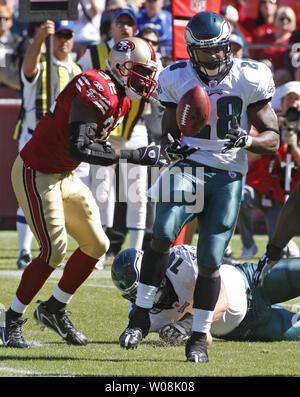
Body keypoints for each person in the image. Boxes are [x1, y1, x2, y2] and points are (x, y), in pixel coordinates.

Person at [118, 11, 280, 364]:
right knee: (161, 232)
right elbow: (169, 127)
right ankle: (140, 316)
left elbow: (273, 139)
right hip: (190, 164)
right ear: (192, 51)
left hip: (227, 173)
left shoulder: (250, 76)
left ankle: (198, 338)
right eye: (206, 52)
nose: (215, 57)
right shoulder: (176, 76)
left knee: (210, 259)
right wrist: (172, 142)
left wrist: (247, 140)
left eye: (219, 49)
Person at [0, 36, 170, 349]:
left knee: (97, 244)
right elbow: (80, 147)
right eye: (141, 70)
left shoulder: (122, 97)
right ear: (121, 67)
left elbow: (89, 146)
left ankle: (54, 308)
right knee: (54, 250)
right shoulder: (96, 87)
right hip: (35, 171)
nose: (147, 78)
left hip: (63, 173)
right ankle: (10, 319)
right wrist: (135, 156)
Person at [78, 10, 162, 260]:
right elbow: (79, 81)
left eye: (130, 23)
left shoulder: (145, 51)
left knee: (137, 192)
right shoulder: (95, 53)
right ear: (111, 27)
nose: (125, 28)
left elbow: (162, 85)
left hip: (135, 127)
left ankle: (136, 252)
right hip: (105, 130)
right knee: (102, 192)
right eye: (120, 23)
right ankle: (98, 252)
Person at [112, 245, 300, 344]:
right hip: (246, 328)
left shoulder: (181, 260)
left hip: (250, 281)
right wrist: (179, 336)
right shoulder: (145, 317)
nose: (151, 298)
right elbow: (206, 339)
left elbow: (222, 298)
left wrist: (189, 322)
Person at [13, 20, 84, 270]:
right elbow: (28, 70)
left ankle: (54, 251)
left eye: (68, 35)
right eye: (60, 35)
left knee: (59, 199)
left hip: (62, 142)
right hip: (33, 136)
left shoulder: (76, 70)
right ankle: (23, 251)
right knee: (29, 195)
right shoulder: (41, 63)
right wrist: (39, 38)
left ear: (73, 39)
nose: (63, 40)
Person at [238, 81, 300, 260]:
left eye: (297, 99)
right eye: (289, 98)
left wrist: (294, 146)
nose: (293, 103)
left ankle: (286, 246)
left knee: (277, 244)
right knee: (240, 196)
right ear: (281, 102)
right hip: (258, 187)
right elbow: (247, 157)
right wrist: (273, 137)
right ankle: (248, 246)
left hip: (282, 195)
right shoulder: (269, 123)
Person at [253, 6, 296, 79]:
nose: (285, 21)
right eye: (281, 19)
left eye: (288, 19)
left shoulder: (294, 39)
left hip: (284, 78)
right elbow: (255, 57)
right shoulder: (265, 38)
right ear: (275, 20)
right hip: (262, 75)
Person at [0, 3, 22, 91]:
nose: (2, 22)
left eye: (6, 18)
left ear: (11, 22)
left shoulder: (18, 42)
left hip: (15, 90)